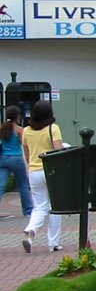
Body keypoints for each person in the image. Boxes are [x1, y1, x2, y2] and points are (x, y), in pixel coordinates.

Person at [21, 101, 63, 253]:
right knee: (56, 207)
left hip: (33, 171)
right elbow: (59, 152)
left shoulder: (26, 131)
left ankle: (30, 231)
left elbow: (27, 154)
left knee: (40, 206)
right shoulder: (53, 128)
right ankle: (54, 243)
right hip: (51, 170)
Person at [0, 106, 33, 219]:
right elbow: (24, 144)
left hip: (3, 159)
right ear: (17, 117)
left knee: (1, 186)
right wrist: (28, 160)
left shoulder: (2, 128)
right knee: (23, 185)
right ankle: (28, 210)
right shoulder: (19, 130)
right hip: (16, 159)